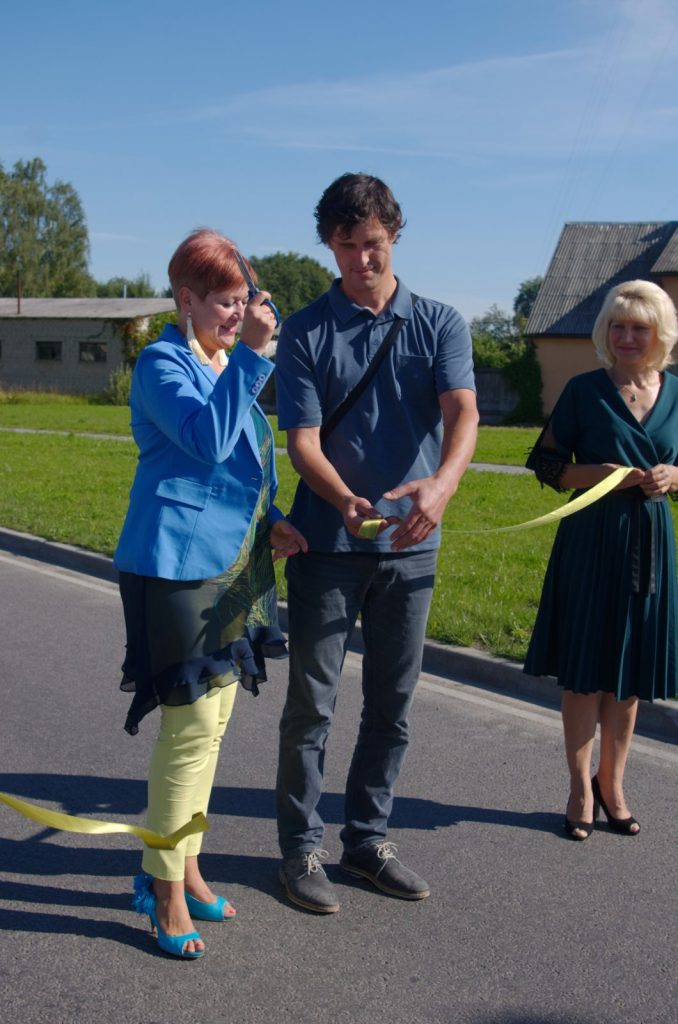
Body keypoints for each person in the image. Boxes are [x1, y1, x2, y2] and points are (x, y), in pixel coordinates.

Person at [274, 173, 479, 913]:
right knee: (312, 706)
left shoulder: (440, 323)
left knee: (392, 707)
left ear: (394, 235)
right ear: (328, 246)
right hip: (326, 547)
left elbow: (464, 413)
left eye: (373, 243)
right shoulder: (306, 331)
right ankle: (300, 850)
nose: (363, 258)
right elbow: (301, 442)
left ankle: (367, 841)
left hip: (412, 547)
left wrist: (442, 486)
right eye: (347, 245)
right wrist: (344, 500)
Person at [114, 229, 306, 957]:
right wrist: (253, 355)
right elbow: (207, 441)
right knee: (189, 729)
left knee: (215, 726)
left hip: (237, 565)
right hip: (177, 566)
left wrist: (274, 519)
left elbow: (245, 467)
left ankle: (185, 864)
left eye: (244, 301)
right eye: (226, 303)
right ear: (186, 300)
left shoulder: (224, 362)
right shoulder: (162, 364)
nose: (239, 314)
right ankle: (162, 890)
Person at [524, 279, 678, 840]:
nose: (627, 337)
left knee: (629, 676)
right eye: (618, 326)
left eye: (639, 328)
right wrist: (604, 474)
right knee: (586, 673)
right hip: (591, 538)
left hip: (651, 543)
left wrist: (673, 475)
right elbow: (546, 464)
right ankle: (579, 789)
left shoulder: (677, 393)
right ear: (605, 331)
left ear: (660, 334)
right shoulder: (584, 390)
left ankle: (613, 785)